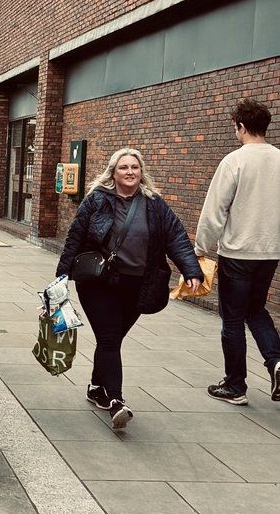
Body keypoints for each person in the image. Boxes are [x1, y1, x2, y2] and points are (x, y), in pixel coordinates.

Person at [56, 147, 202, 430]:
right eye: (124, 167)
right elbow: (75, 237)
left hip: (138, 285)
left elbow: (176, 237)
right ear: (113, 172)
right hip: (99, 283)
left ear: (141, 171)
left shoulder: (154, 204)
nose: (130, 172)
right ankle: (117, 401)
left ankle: (97, 388)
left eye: (135, 167)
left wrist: (191, 270)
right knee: (110, 339)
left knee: (111, 339)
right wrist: (61, 278)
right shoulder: (97, 200)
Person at [194, 99, 280, 406]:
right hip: (270, 253)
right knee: (256, 310)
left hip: (237, 254)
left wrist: (200, 249)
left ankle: (235, 385)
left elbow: (214, 212)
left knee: (231, 318)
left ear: (240, 127)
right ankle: (277, 364)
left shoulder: (235, 161)